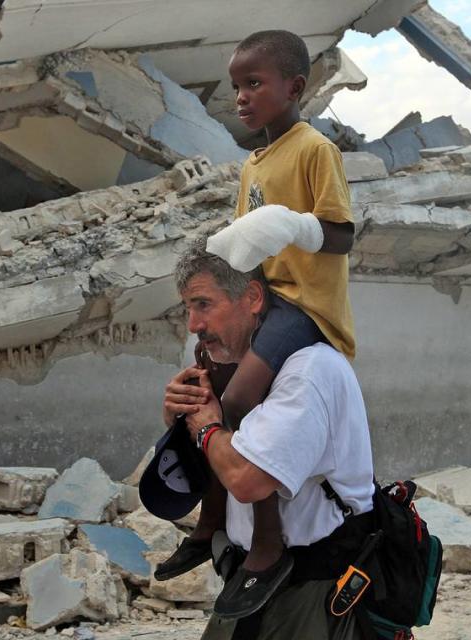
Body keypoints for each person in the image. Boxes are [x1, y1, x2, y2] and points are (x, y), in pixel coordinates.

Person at [153, 29, 357, 619]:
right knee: (206, 384)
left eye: (255, 83)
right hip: (263, 300)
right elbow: (247, 251)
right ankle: (211, 522)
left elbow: (343, 235)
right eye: (237, 86)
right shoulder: (253, 163)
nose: (241, 96)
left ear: (294, 87)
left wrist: (297, 227)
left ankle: (268, 547)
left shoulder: (315, 149)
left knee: (238, 402)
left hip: (305, 308)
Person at [163, 241, 375, 639]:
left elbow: (247, 480)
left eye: (203, 305)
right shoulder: (237, 366)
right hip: (251, 580)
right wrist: (180, 418)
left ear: (253, 298)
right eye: (187, 308)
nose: (192, 323)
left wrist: (207, 427)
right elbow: (217, 460)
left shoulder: (307, 372)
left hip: (316, 589)